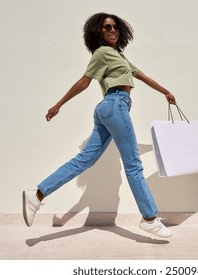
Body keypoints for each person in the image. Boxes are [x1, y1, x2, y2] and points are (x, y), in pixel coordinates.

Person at [22, 13, 176, 238]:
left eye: (115, 27)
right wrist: (58, 105)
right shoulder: (102, 53)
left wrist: (166, 92)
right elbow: (84, 81)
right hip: (115, 105)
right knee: (133, 164)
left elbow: (143, 76)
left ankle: (37, 195)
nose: (113, 30)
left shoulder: (118, 56)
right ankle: (150, 218)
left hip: (109, 109)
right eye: (107, 28)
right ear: (98, 32)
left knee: (85, 160)